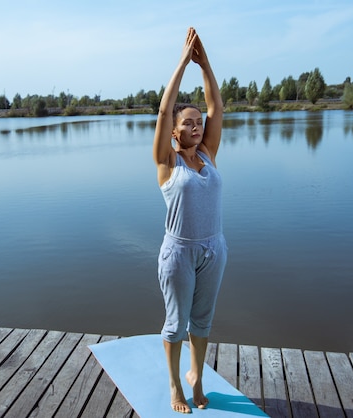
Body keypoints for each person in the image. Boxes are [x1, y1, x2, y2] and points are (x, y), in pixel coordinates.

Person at [152, 27, 226, 414]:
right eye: (189, 123)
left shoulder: (209, 154)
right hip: (179, 253)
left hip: (215, 248)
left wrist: (205, 62)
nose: (197, 126)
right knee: (176, 322)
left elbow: (218, 108)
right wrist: (182, 61)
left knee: (203, 319)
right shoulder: (168, 162)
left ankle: (197, 375)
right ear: (176, 131)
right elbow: (164, 111)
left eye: (199, 122)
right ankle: (175, 385)